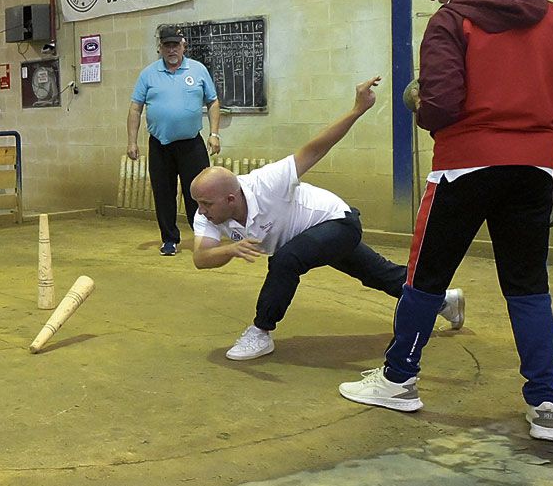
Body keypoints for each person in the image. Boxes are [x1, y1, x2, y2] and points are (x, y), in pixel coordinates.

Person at [338, 0, 553, 443]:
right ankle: (546, 405)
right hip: (533, 170)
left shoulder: (451, 21)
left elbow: (445, 104)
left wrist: (419, 103)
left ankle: (398, 380)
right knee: (528, 285)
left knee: (425, 278)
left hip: (463, 168)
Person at [190, 77, 464, 361]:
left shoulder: (266, 182)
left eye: (207, 203)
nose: (202, 210)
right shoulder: (207, 214)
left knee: (285, 260)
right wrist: (230, 248)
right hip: (309, 238)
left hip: (337, 223)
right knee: (377, 274)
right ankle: (445, 302)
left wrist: (357, 109)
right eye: (199, 203)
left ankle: (260, 331)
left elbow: (316, 147)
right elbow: (201, 258)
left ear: (231, 199)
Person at [127, 24, 222, 256]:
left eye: (175, 45)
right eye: (166, 45)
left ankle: (203, 236)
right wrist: (131, 141)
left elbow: (213, 101)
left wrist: (214, 133)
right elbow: (135, 108)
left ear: (183, 46)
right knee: (164, 193)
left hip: (192, 145)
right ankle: (169, 239)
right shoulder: (148, 74)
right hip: (160, 146)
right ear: (160, 48)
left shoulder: (198, 70)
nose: (171, 50)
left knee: (200, 193)